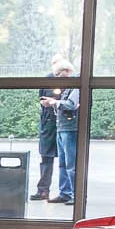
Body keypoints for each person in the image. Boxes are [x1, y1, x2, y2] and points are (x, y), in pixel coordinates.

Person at [33, 59, 73, 199]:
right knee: (59, 159)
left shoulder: (64, 81)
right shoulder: (52, 79)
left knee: (61, 159)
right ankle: (57, 191)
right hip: (52, 123)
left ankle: (52, 190)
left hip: (56, 123)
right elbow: (41, 100)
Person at [53, 76, 80, 204]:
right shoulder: (65, 90)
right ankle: (65, 192)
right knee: (62, 163)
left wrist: (55, 103)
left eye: (59, 75)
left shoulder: (75, 89)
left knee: (71, 164)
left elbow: (71, 105)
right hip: (62, 128)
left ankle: (75, 194)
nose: (57, 78)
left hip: (70, 129)